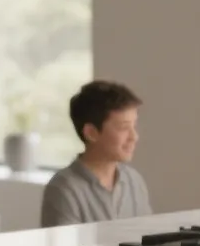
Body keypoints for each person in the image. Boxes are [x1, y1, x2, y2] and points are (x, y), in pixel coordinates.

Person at [40, 80, 153, 227]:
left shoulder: (134, 182)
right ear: (91, 133)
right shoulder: (64, 189)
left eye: (134, 126)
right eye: (124, 128)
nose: (134, 137)